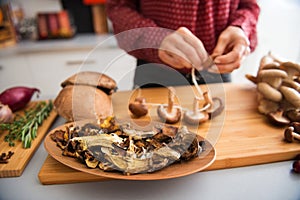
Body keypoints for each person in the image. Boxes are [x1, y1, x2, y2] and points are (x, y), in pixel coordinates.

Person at [106, 0, 260, 88]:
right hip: (155, 74)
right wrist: (154, 38)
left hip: (217, 72)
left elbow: (249, 6)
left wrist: (241, 28)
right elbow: (118, 6)